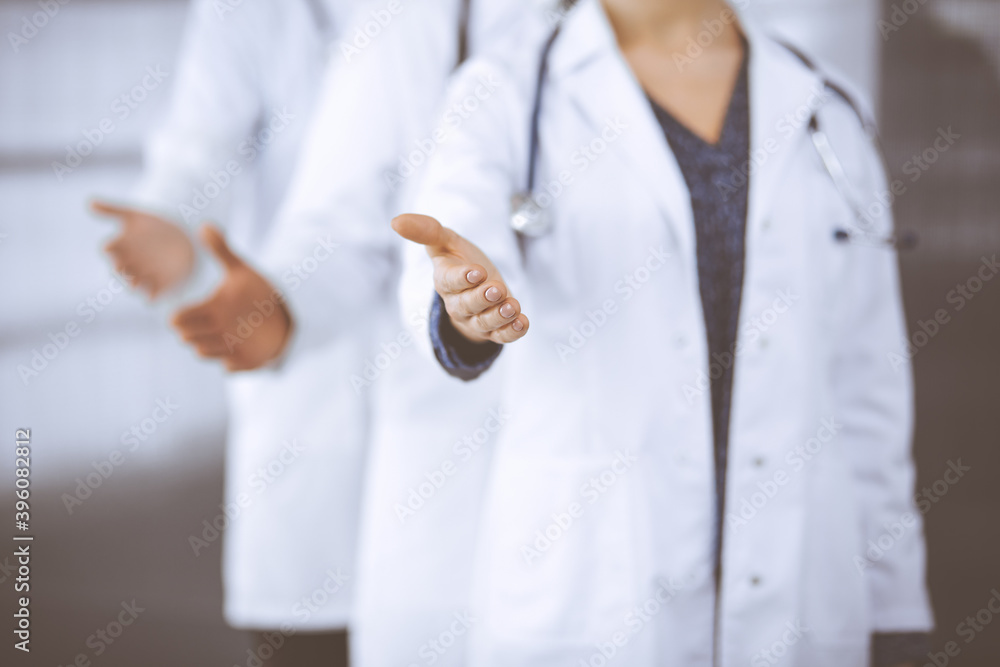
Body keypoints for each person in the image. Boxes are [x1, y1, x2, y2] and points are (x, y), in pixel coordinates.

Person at [393, 0, 933, 665]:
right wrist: (463, 307)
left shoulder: (827, 106)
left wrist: (893, 600)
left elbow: (867, 384)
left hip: (802, 596)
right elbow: (449, 246)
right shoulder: (503, 89)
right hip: (595, 593)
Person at [140, 1, 556, 665]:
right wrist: (283, 301)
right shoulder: (414, 24)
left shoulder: (763, 36)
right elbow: (343, 222)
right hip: (422, 423)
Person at [90, 1, 361, 663]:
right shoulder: (249, 11)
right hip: (297, 356)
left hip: (451, 391)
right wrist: (172, 221)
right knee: (310, 625)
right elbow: (197, 143)